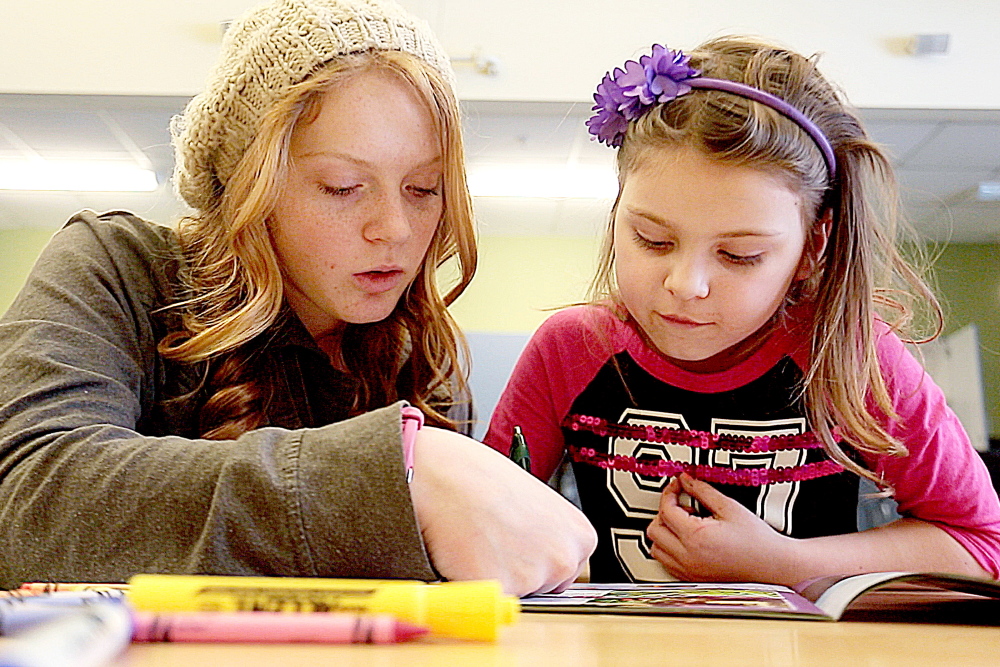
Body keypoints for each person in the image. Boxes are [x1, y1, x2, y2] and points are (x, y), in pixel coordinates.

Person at [0, 0, 595, 596]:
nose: (396, 227)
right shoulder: (116, 268)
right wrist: (391, 479)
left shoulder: (419, 361)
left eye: (423, 188)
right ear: (247, 186)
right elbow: (25, 503)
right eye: (342, 187)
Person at [485, 38, 1000, 585]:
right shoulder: (571, 349)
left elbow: (983, 543)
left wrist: (785, 564)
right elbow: (482, 523)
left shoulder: (851, 356)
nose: (685, 285)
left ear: (811, 248)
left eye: (740, 255)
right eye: (652, 239)